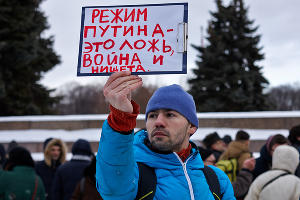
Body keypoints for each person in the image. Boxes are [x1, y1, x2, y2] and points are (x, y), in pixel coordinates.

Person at [96, 71, 235, 200]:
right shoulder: (134, 175)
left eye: (170, 114)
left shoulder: (217, 179)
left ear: (191, 126)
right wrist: (121, 120)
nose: (158, 122)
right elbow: (113, 188)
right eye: (152, 115)